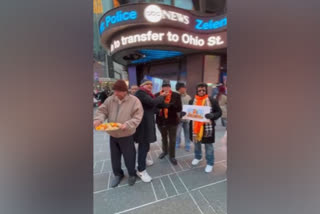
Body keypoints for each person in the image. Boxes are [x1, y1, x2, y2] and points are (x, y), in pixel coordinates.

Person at [93, 80, 144, 187]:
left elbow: (138, 116)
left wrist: (127, 124)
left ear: (125, 91)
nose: (116, 93)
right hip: (113, 134)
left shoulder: (134, 101)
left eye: (118, 91)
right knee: (114, 157)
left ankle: (132, 174)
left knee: (129, 156)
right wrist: (98, 119)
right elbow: (102, 111)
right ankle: (118, 174)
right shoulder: (111, 99)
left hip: (126, 134)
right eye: (115, 91)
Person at [134, 79, 167, 182]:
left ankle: (143, 160)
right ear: (142, 85)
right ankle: (141, 170)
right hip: (143, 124)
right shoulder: (140, 92)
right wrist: (162, 96)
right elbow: (152, 102)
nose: (150, 86)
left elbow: (150, 106)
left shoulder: (147, 94)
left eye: (151, 84)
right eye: (147, 84)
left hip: (147, 123)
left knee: (146, 144)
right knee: (143, 145)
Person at [188, 83, 222, 173]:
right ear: (197, 91)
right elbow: (189, 113)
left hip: (207, 128)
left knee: (208, 146)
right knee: (196, 144)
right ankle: (198, 157)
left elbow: (219, 112)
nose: (202, 92)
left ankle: (210, 163)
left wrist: (213, 115)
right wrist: (184, 114)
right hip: (195, 127)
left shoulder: (212, 100)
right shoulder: (192, 101)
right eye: (199, 90)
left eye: (203, 90)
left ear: (206, 90)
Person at [155, 80, 182, 165]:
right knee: (164, 138)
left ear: (170, 87)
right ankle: (164, 151)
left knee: (172, 139)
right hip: (161, 121)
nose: (166, 88)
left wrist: (169, 106)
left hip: (172, 121)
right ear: (162, 87)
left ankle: (172, 156)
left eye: (168, 86)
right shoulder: (157, 95)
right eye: (164, 86)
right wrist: (160, 107)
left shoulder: (176, 95)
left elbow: (179, 108)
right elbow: (154, 107)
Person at [175, 82, 192, 151]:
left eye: (185, 87)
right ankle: (177, 143)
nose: (185, 89)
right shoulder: (175, 96)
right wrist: (179, 114)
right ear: (179, 89)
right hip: (178, 119)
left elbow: (191, 107)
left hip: (187, 119)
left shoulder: (188, 97)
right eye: (183, 87)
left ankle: (187, 144)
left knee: (187, 132)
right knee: (177, 133)